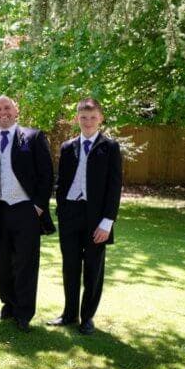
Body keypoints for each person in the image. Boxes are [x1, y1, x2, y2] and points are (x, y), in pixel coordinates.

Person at [0, 95, 55, 332]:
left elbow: (47, 174)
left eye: (7, 107)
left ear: (16, 111)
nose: (3, 112)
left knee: (26, 263)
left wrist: (38, 206)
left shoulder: (33, 137)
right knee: (3, 262)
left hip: (26, 210)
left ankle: (24, 313)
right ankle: (8, 306)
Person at [47, 98, 122, 335]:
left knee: (93, 267)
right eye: (83, 117)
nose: (88, 122)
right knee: (70, 266)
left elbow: (114, 187)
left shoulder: (110, 147)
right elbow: (62, 181)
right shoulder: (68, 147)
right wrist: (61, 208)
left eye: (92, 117)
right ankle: (69, 313)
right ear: (76, 119)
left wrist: (107, 222)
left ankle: (87, 317)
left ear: (100, 119)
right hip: (70, 214)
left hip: (96, 217)